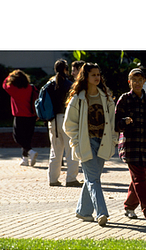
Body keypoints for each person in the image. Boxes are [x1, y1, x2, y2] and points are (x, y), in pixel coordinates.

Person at [63, 63, 118, 227]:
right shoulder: (77, 99)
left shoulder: (106, 97)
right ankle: (102, 212)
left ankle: (83, 211)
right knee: (94, 179)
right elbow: (68, 125)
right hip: (86, 143)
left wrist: (113, 140)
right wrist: (77, 142)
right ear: (85, 77)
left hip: (103, 142)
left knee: (92, 178)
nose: (97, 77)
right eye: (93, 74)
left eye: (98, 74)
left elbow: (113, 122)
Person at [115, 68, 146, 223]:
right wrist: (124, 122)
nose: (137, 83)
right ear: (129, 82)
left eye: (140, 80)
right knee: (140, 179)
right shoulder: (124, 99)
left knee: (138, 180)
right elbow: (115, 123)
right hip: (131, 147)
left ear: (144, 82)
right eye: (134, 80)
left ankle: (129, 207)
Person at [47, 59, 82, 187]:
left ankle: (53, 179)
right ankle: (71, 178)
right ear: (66, 69)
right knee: (71, 150)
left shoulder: (50, 84)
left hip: (53, 120)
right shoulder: (69, 85)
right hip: (67, 118)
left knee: (55, 151)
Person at [2, 69, 38, 166]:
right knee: (27, 138)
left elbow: (4, 84)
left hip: (20, 116)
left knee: (17, 137)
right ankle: (25, 159)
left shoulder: (13, 89)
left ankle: (30, 152)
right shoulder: (31, 88)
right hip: (31, 116)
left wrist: (9, 75)